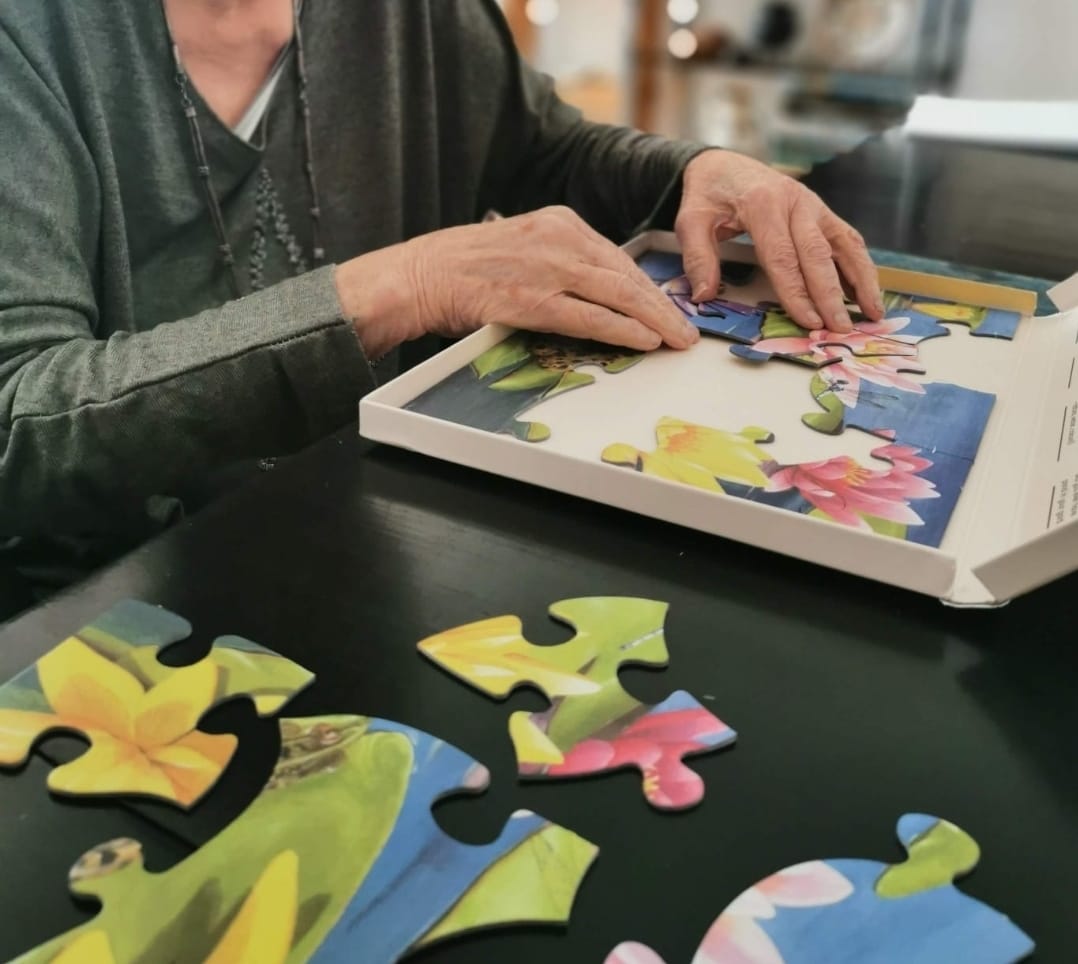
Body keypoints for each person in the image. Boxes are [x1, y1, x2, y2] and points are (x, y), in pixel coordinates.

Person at [0, 0, 882, 601]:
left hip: (399, 545)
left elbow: (545, 152)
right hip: (121, 605)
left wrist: (695, 172)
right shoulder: (29, 41)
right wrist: (406, 285)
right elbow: (21, 423)